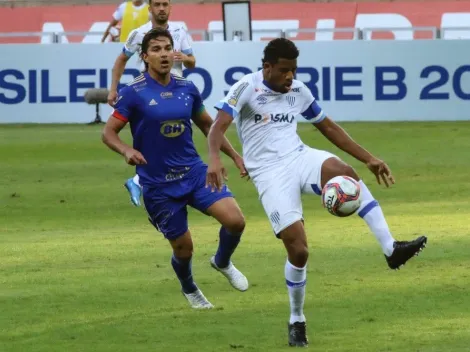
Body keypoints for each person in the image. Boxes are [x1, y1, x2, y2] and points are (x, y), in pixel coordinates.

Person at [206, 38, 427, 347]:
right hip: (269, 174)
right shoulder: (246, 87)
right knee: (299, 250)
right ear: (267, 67)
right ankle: (297, 319)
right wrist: (215, 160)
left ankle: (391, 249)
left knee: (346, 174)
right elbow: (217, 126)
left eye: (294, 71)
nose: (290, 77)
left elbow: (329, 127)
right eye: (284, 71)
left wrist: (369, 159)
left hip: (299, 156)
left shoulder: (298, 91)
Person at [102, 28, 249, 309]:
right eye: (156, 49)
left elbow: (208, 125)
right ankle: (189, 287)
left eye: (167, 48)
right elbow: (108, 133)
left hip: (194, 172)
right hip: (158, 184)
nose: (164, 54)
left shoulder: (187, 88)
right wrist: (127, 150)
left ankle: (222, 261)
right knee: (184, 249)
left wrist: (234, 156)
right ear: (145, 57)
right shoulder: (133, 93)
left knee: (235, 221)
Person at [106, 0, 196, 207]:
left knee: (174, 143)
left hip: (176, 92)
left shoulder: (180, 31)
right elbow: (121, 59)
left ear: (171, 8)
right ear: (150, 9)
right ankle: (151, 185)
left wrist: (184, 57)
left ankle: (140, 181)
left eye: (165, 4)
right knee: (161, 140)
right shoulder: (139, 34)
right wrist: (113, 88)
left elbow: (192, 61)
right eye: (157, 5)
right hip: (150, 94)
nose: (162, 8)